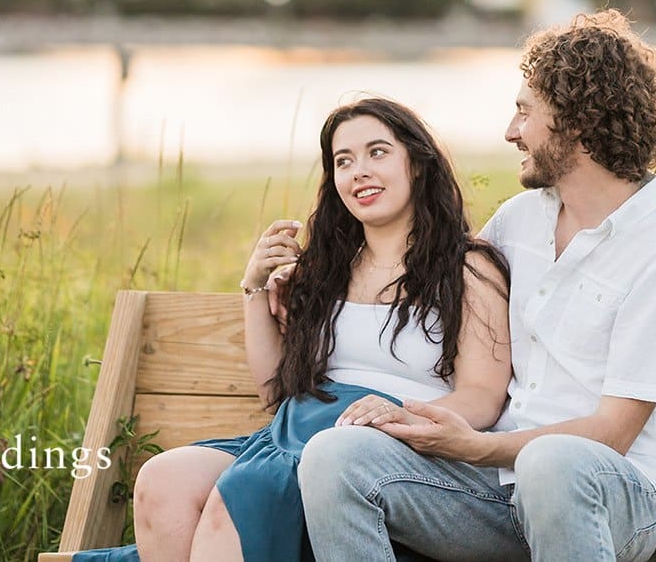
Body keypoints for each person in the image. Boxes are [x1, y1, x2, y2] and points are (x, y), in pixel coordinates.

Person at [299, 10, 656, 562]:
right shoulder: (518, 223)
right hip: (499, 488)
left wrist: (478, 446)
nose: (510, 131)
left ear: (577, 120)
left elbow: (612, 433)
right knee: (335, 457)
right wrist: (300, 283)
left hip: (614, 494)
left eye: (524, 112)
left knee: (554, 463)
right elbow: (431, 299)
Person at [74, 97, 511, 562]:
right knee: (164, 480)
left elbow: (483, 396)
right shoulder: (328, 268)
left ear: (417, 164)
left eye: (377, 152)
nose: (359, 171)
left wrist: (397, 415)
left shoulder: (466, 268)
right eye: (344, 161)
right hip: (292, 435)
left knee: (244, 495)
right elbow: (275, 390)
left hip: (387, 447)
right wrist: (255, 289)